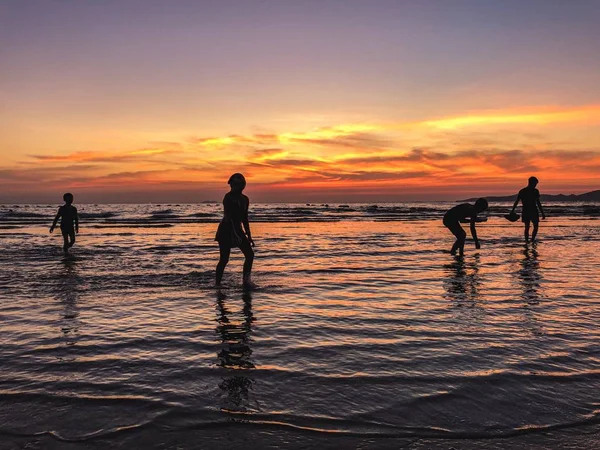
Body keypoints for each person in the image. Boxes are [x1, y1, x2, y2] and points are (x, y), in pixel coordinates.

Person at [215, 173, 255, 287]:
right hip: (225, 230)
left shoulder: (245, 199)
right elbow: (228, 217)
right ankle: (217, 284)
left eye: (241, 184)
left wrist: (249, 235)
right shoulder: (228, 197)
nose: (238, 187)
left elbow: (245, 218)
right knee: (224, 259)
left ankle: (246, 281)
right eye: (236, 184)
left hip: (238, 230)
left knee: (250, 255)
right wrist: (234, 234)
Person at [510, 176, 546, 243]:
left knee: (533, 226)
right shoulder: (525, 191)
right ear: (531, 183)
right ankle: (528, 241)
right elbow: (517, 201)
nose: (535, 185)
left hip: (530, 210)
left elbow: (538, 203)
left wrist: (542, 213)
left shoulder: (532, 191)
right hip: (529, 210)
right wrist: (512, 211)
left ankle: (531, 240)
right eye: (535, 184)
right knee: (528, 227)